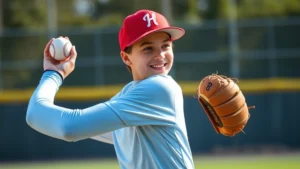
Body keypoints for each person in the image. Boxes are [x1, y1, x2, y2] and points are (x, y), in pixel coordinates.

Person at [26, 9, 194, 169]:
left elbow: (68, 126)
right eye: (148, 48)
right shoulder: (129, 95)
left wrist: (53, 75)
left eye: (165, 46)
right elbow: (76, 125)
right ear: (126, 58)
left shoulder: (160, 87)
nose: (160, 54)